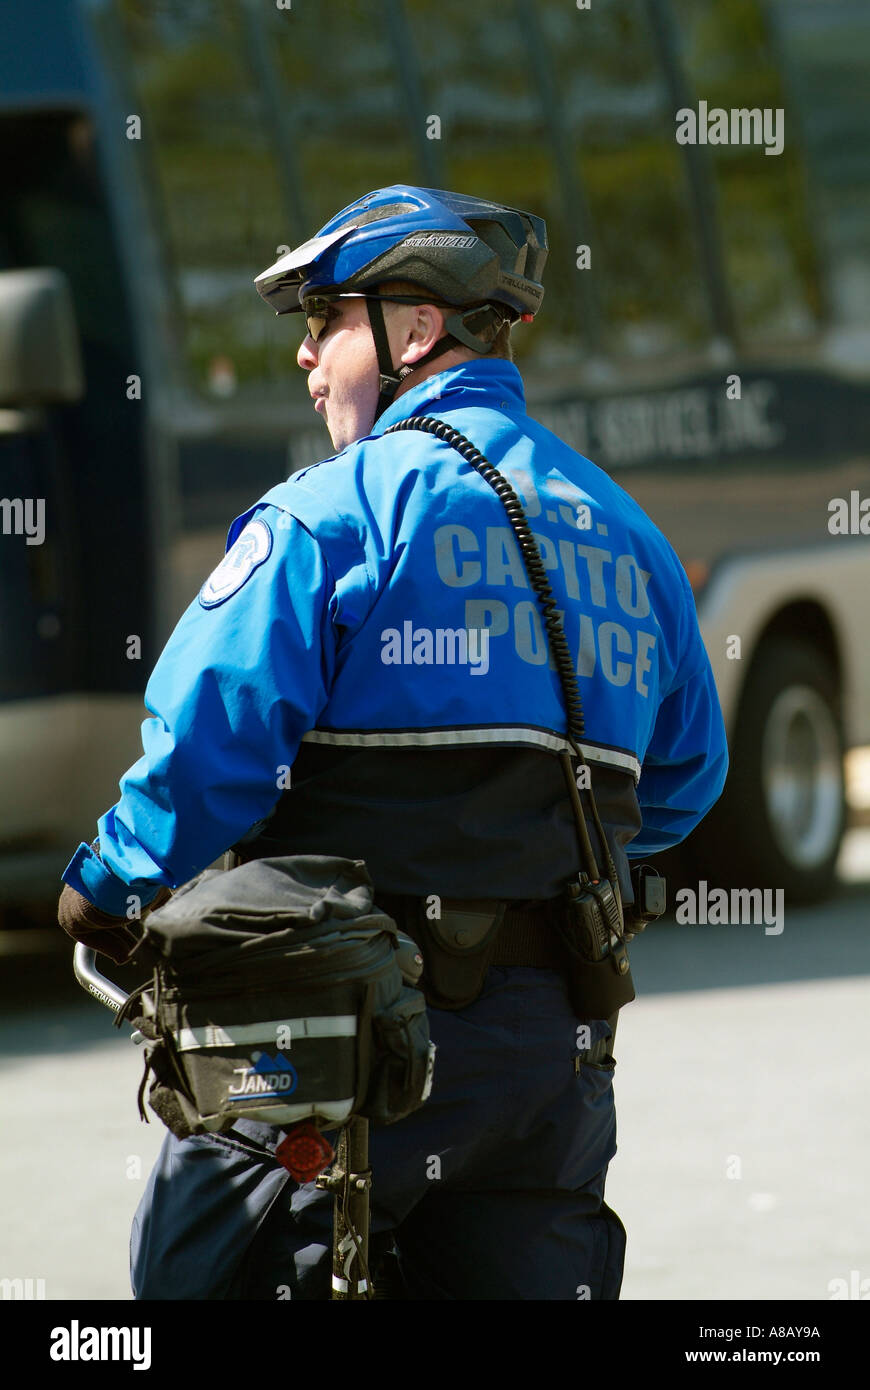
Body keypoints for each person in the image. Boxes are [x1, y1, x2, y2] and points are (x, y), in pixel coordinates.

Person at [57, 185, 728, 1300]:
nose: (307, 356)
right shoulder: (629, 534)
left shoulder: (331, 515)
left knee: (190, 1282)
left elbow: (209, 749)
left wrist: (105, 886)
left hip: (334, 1034)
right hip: (547, 1056)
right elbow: (685, 783)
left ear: (414, 330)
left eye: (326, 320)